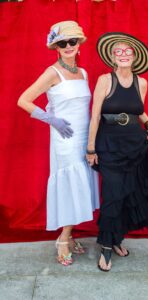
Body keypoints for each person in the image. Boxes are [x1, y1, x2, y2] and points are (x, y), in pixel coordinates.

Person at [86, 32, 148, 271]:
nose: (123, 55)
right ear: (112, 57)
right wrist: (90, 148)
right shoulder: (104, 80)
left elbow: (139, 110)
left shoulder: (142, 82)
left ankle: (117, 238)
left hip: (135, 144)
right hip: (109, 145)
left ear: (134, 56)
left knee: (129, 194)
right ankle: (106, 247)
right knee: (112, 195)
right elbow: (95, 116)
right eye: (118, 52)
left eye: (127, 52)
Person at [17, 21, 99, 266]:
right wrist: (51, 119)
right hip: (65, 139)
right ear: (56, 46)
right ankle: (63, 238)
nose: (68, 46)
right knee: (70, 186)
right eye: (62, 43)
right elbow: (24, 100)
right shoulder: (52, 72)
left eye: (72, 41)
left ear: (79, 45)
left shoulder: (83, 73)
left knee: (81, 185)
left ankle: (69, 234)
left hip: (85, 136)